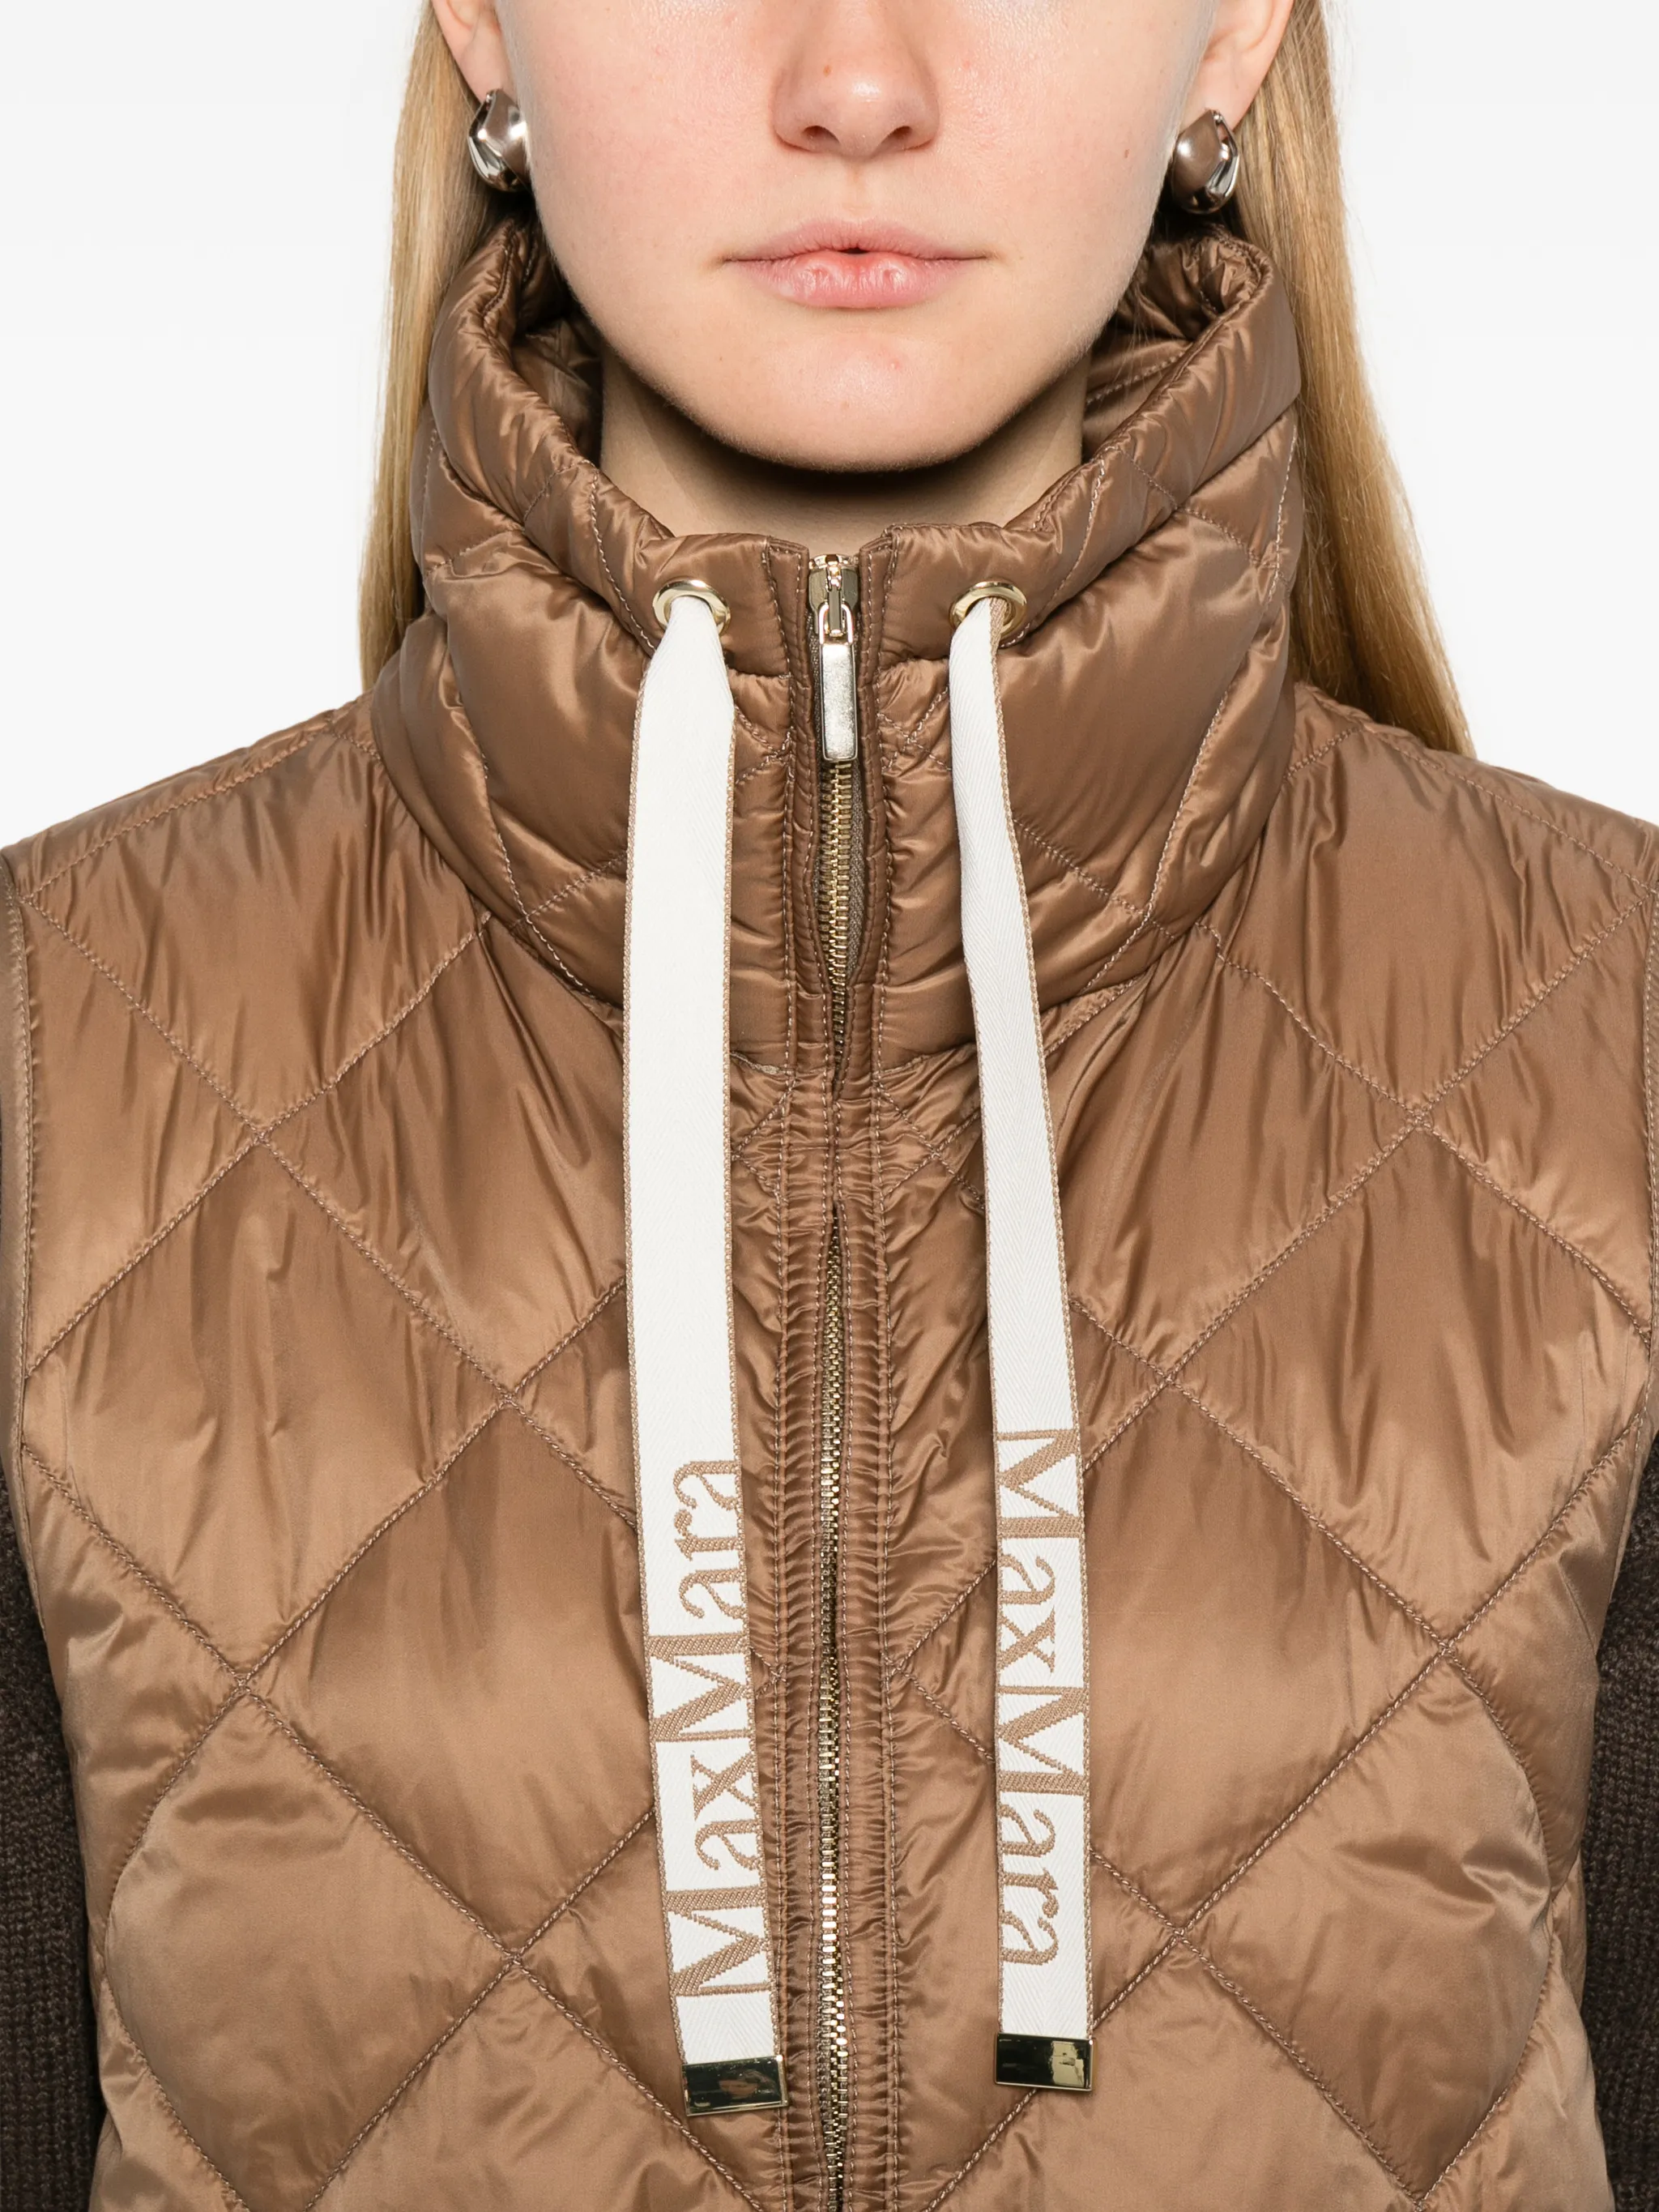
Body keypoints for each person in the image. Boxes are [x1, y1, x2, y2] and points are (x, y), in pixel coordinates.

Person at [1, 0, 1655, 2203]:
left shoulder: (1617, 1038)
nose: (858, 83)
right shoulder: (52, 1048)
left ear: (1235, 30)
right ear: (481, 16)